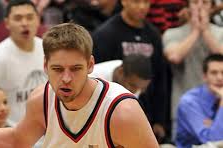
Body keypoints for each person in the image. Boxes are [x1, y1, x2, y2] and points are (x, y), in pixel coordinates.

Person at [0, 23, 158, 148]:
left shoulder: (122, 112)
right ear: (45, 66)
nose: (66, 78)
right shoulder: (41, 100)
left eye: (75, 69)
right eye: (57, 69)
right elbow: (16, 140)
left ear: (90, 65)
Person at [92, 0, 170, 142]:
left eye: (146, 2)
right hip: (110, 109)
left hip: (146, 110)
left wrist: (160, 119)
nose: (142, 6)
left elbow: (160, 77)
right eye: (136, 1)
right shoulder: (105, 34)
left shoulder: (153, 34)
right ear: (124, 1)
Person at [163, 0, 223, 135]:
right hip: (184, 106)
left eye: (205, 2)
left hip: (218, 106)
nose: (200, 7)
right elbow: (174, 56)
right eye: (195, 2)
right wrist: (195, 31)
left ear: (212, 7)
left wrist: (206, 32)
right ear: (188, 7)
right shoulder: (172, 33)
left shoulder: (220, 32)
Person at [176, 54, 223, 147]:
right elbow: (213, 140)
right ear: (205, 76)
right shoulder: (189, 102)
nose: (220, 78)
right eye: (214, 73)